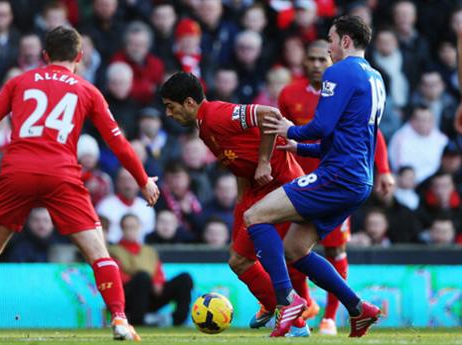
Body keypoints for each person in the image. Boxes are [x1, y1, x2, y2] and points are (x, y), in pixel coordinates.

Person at [0, 26, 160, 341]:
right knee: (98, 253)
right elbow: (119, 144)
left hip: (17, 169)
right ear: (79, 56)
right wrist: (143, 181)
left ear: (45, 56)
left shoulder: (18, 82)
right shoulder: (87, 90)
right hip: (61, 174)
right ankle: (119, 320)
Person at [244, 15, 385, 337]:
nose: (330, 48)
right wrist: (298, 147)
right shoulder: (375, 77)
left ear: (346, 41)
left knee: (255, 216)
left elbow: (322, 127)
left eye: (332, 40)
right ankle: (359, 308)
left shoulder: (341, 71)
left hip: (338, 176)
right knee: (295, 249)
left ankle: (285, 299)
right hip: (357, 178)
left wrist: (289, 129)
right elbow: (347, 138)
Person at [160, 71, 314, 337]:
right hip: (257, 192)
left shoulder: (218, 114)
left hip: (283, 187)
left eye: (170, 107)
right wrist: (242, 203)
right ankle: (281, 307)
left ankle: (294, 317)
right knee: (240, 261)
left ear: (188, 102)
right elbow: (241, 163)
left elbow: (271, 115)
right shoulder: (204, 130)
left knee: (248, 259)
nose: (168, 114)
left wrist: (265, 161)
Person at [277, 39, 394, 335]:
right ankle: (304, 304)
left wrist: (385, 169)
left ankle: (329, 316)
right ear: (304, 62)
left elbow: (372, 134)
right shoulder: (289, 94)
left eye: (322, 58)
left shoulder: (346, 86)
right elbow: (278, 135)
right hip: (299, 178)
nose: (317, 64)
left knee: (334, 248)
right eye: (312, 59)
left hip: (337, 180)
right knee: (292, 247)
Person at [109, 213, 193, 326]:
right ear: (121, 229)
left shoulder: (149, 251)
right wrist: (145, 279)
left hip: (150, 293)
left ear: (139, 228)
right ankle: (138, 321)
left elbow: (158, 271)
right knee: (142, 278)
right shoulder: (114, 250)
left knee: (184, 278)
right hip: (129, 296)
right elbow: (117, 277)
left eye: (133, 227)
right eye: (127, 227)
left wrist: (157, 282)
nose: (130, 231)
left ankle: (178, 320)